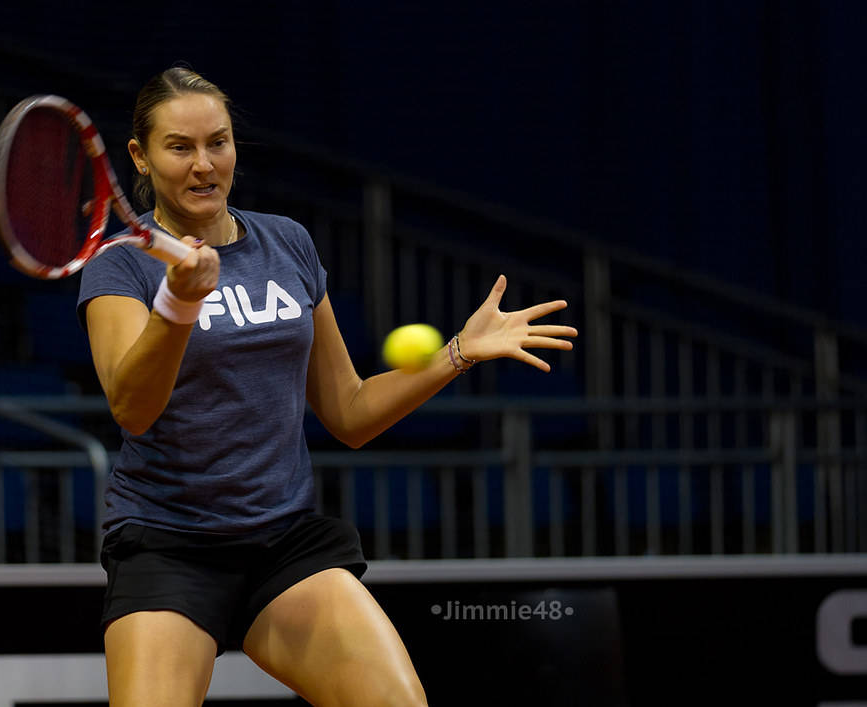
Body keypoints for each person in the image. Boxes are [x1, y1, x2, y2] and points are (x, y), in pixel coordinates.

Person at [77, 66, 577, 707]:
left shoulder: (288, 244)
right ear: (141, 157)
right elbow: (133, 409)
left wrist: (457, 355)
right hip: (169, 545)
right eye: (180, 147)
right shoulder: (120, 265)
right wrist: (177, 305)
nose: (204, 165)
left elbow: (349, 411)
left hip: (283, 544)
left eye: (218, 143)